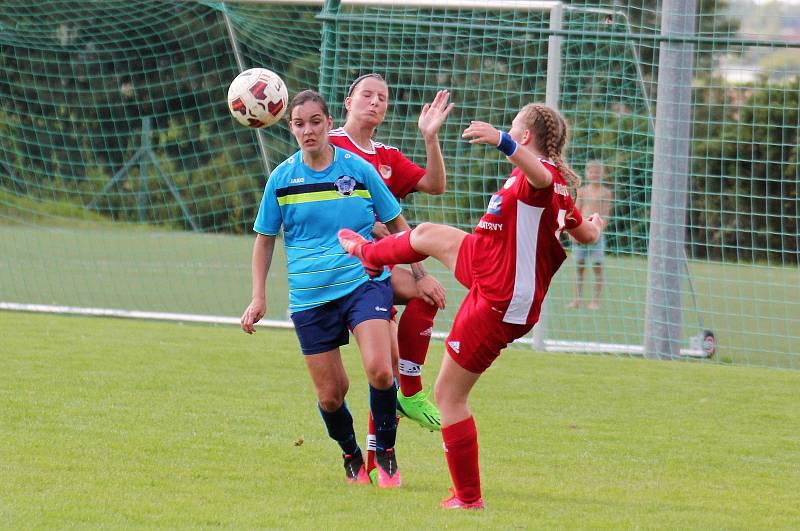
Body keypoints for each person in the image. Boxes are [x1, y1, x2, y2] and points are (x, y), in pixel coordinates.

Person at [338, 103, 605, 509]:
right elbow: (582, 232)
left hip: (502, 296)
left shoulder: (541, 175)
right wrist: (595, 228)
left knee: (448, 397)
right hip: (491, 261)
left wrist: (502, 140)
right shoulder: (555, 184)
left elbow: (540, 176)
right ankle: (371, 254)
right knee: (426, 232)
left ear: (526, 136)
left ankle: (468, 498)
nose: (509, 126)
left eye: (515, 125)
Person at [240, 89, 417, 488]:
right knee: (331, 397)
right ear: (291, 128)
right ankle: (351, 454)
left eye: (315, 122)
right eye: (300, 124)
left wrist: (419, 273)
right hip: (309, 298)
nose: (308, 131)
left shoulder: (357, 170)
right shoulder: (282, 179)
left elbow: (398, 225)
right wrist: (258, 297)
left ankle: (385, 453)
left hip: (363, 283)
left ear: (329, 123)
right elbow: (265, 239)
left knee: (380, 370)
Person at [329, 73, 453, 478]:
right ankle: (393, 418)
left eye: (382, 98)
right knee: (356, 384)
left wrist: (430, 137)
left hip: (376, 269)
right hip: (334, 268)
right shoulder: (327, 145)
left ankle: (380, 462)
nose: (375, 102)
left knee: (421, 303)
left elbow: (434, 185)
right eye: (366, 94)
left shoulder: (386, 156)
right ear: (348, 102)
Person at [567, 160, 613, 310]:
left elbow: (605, 216)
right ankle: (577, 300)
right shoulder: (582, 191)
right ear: (586, 173)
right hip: (582, 233)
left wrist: (597, 232)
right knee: (579, 267)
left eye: (597, 172)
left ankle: (595, 301)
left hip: (597, 235)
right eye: (591, 171)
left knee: (597, 267)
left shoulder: (606, 193)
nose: (594, 174)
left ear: (603, 174)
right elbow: (576, 212)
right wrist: (575, 231)